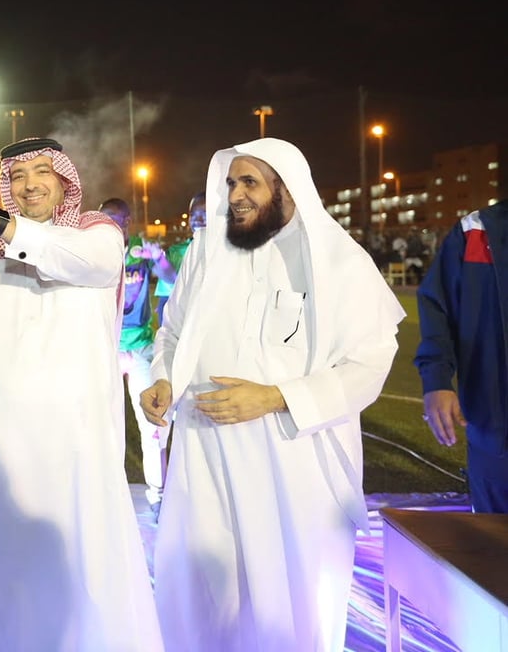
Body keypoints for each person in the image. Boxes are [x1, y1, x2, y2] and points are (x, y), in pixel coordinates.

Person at [141, 137, 404, 651]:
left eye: (250, 183)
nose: (235, 195)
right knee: (206, 595)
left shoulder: (336, 260)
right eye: (231, 183)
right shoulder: (205, 252)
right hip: (204, 454)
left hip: (291, 460)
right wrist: (165, 379)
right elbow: (171, 331)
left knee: (287, 600)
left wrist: (277, 397)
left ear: (287, 188)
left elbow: (371, 362)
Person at [0, 138, 163, 651]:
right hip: (2, 442)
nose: (29, 184)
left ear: (64, 180)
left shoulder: (96, 236)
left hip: (75, 439)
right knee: (8, 566)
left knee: (84, 563)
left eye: (41, 172)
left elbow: (83, 262)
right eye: (17, 176)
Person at [415, 200, 508, 512]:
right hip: (495, 430)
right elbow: (438, 307)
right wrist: (436, 380)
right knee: (493, 536)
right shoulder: (476, 229)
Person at [98, 197, 171, 516]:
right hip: (107, 348)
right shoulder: (96, 251)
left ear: (127, 222)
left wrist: (158, 258)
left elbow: (170, 278)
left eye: (114, 219)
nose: (108, 225)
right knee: (104, 425)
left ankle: (158, 495)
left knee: (151, 424)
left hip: (141, 347)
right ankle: (108, 497)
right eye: (103, 218)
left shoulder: (140, 252)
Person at [153, 192, 206, 325]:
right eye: (193, 215)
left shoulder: (229, 252)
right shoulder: (175, 252)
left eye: (205, 214)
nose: (198, 220)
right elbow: (165, 301)